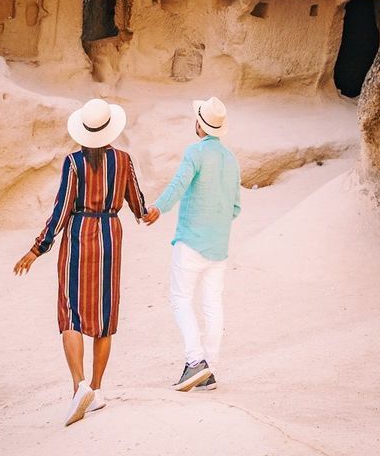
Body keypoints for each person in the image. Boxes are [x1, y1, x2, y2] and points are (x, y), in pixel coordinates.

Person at [14, 97, 147, 427]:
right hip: (110, 236)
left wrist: (37, 249)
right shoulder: (124, 160)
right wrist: (148, 213)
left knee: (71, 311)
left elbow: (61, 210)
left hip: (79, 235)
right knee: (103, 315)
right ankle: (98, 390)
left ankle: (79, 387)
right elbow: (139, 205)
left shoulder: (74, 163)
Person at [144, 96, 241, 392]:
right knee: (212, 304)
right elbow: (235, 207)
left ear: (199, 124)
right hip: (219, 246)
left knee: (180, 299)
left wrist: (158, 208)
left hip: (190, 241)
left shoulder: (195, 153)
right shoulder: (232, 160)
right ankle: (208, 369)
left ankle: (195, 361)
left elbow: (179, 184)